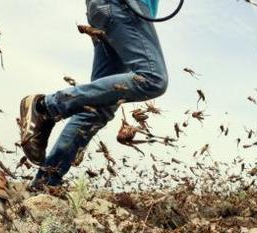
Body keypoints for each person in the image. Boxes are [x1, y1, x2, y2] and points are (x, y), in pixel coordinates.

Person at [19, 0, 168, 188]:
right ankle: (46, 107)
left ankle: (46, 182)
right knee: (153, 79)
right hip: (124, 7)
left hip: (112, 9)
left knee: (96, 109)